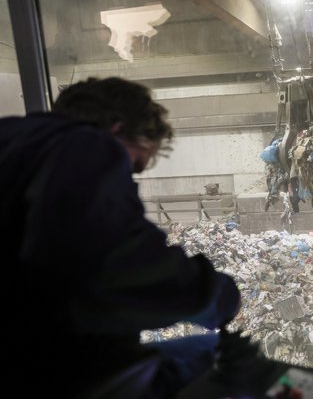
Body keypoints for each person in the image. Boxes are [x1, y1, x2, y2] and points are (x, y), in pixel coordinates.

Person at [0, 77, 241, 398]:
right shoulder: (85, 145)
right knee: (223, 355)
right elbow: (113, 261)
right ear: (116, 129)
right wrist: (215, 296)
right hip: (48, 374)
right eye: (133, 167)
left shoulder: (13, 140)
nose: (126, 180)